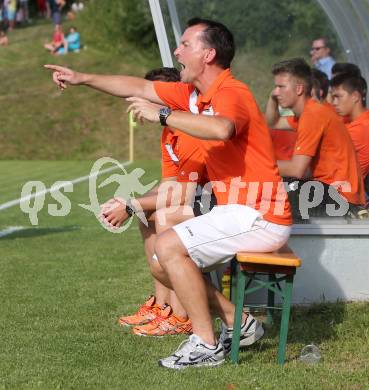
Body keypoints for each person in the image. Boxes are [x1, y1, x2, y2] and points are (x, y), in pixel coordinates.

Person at [45, 17, 292, 369]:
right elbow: (137, 86)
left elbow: (222, 128)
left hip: (261, 216)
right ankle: (239, 321)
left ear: (208, 54)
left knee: (168, 246)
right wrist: (83, 78)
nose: (177, 51)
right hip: (237, 211)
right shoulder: (193, 95)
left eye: (185, 45)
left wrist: (163, 115)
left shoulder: (230, 91)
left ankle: (206, 344)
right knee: (164, 263)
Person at [102, 67, 215, 337]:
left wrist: (131, 205)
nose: (146, 100)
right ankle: (162, 305)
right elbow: (167, 184)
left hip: (217, 200)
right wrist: (136, 203)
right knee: (149, 210)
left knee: (163, 214)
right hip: (197, 196)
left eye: (154, 95)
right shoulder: (170, 132)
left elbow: (185, 193)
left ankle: (181, 315)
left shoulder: (188, 128)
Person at [270, 58, 365, 216]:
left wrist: (257, 165)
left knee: (272, 191)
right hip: (334, 193)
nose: (276, 92)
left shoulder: (313, 114)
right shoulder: (310, 113)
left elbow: (297, 169)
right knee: (277, 187)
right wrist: (272, 98)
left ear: (299, 89)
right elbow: (272, 122)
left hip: (341, 198)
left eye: (281, 87)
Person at [331, 73, 369, 195]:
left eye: (338, 97)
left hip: (346, 196)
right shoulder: (349, 119)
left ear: (355, 96)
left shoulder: (360, 128)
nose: (334, 102)